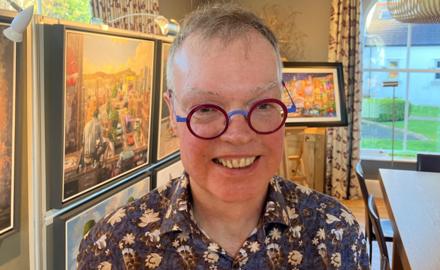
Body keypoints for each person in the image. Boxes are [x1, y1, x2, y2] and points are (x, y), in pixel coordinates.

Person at [77, 4, 369, 269]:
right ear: (172, 114)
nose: (238, 135)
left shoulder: (336, 234)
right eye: (205, 108)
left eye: (263, 104)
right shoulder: (112, 248)